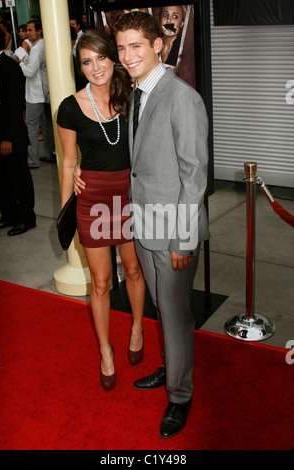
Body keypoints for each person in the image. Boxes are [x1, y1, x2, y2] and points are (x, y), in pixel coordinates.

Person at [113, 11, 210, 438]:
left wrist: (183, 241)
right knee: (163, 313)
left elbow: (195, 176)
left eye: (136, 45)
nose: (127, 55)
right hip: (146, 224)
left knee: (174, 316)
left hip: (173, 231)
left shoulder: (180, 96)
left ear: (158, 45)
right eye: (121, 47)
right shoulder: (139, 94)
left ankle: (180, 395)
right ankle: (172, 366)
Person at [57, 30, 146, 392]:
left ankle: (138, 326)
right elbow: (67, 164)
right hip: (92, 198)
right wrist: (67, 211)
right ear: (80, 67)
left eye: (101, 58)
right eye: (86, 61)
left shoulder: (132, 96)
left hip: (130, 194)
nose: (96, 67)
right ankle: (106, 350)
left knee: (134, 268)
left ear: (113, 58)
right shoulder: (69, 107)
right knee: (101, 282)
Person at [0, 26, 36, 236]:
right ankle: (8, 214)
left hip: (10, 136)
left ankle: (26, 218)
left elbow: (14, 105)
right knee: (0, 179)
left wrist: (8, 138)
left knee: (18, 178)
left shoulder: (8, 66)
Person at [18, 19, 55, 168]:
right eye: (26, 30)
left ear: (39, 31)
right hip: (45, 90)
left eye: (30, 30)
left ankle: (32, 160)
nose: (27, 33)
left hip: (36, 93)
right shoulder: (43, 44)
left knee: (31, 126)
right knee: (46, 126)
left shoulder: (36, 48)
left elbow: (29, 71)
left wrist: (20, 62)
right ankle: (50, 153)